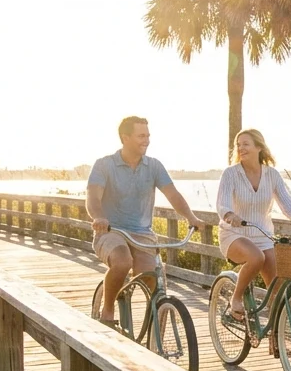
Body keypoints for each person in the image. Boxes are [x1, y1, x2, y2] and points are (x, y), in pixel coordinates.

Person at [86, 116, 211, 325]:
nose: (147, 140)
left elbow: (173, 195)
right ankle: (107, 312)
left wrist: (191, 217)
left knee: (152, 276)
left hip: (142, 234)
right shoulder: (104, 165)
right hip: (110, 231)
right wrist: (99, 217)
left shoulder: (153, 166)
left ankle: (155, 334)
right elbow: (93, 197)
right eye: (141, 136)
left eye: (148, 135)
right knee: (122, 261)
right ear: (125, 138)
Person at [215, 129, 291, 353]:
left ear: (259, 147)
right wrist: (230, 216)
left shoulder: (271, 175)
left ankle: (275, 341)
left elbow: (288, 205)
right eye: (238, 145)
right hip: (234, 234)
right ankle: (236, 298)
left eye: (246, 144)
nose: (240, 148)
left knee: (278, 287)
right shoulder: (230, 174)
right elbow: (222, 204)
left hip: (262, 235)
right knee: (255, 258)